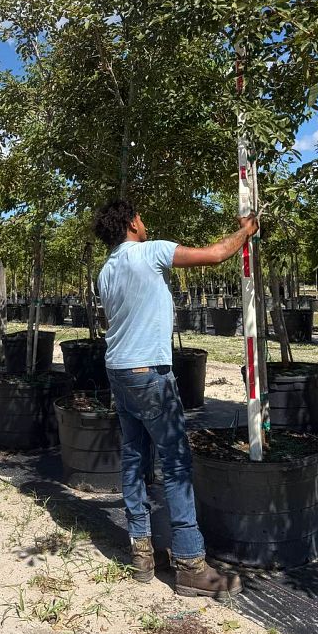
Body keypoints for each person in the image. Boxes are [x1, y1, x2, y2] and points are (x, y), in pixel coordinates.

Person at [94, 198, 259, 602]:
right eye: (142, 217)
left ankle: (141, 553)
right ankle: (189, 564)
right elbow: (217, 254)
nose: (145, 222)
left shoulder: (106, 270)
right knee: (176, 461)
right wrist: (246, 230)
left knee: (135, 456)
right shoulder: (150, 252)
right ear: (132, 222)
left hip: (118, 371)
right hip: (149, 372)